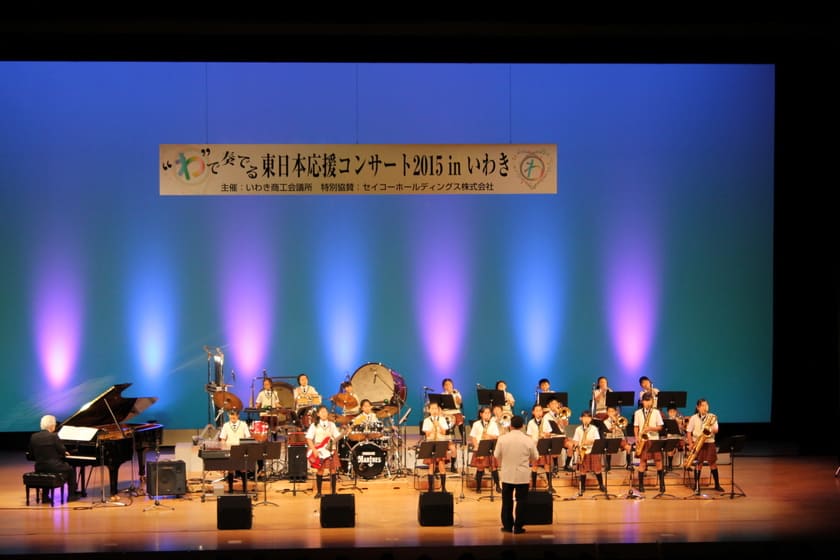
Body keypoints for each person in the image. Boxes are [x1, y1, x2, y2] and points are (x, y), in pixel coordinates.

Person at [493, 415, 538, 534]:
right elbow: (535, 457)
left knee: (507, 501)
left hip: (507, 474)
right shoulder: (528, 440)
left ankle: (507, 526)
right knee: (522, 501)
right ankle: (518, 527)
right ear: (523, 426)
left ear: (510, 426)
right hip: (522, 476)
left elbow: (496, 455)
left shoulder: (502, 439)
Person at [28, 414, 79, 501]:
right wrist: (65, 453)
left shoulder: (34, 437)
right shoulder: (53, 436)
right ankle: (71, 495)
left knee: (47, 470)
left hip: (39, 467)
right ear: (51, 425)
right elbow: (62, 450)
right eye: (55, 424)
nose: (55, 426)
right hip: (54, 467)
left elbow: (31, 454)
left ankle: (45, 497)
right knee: (70, 470)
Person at [684, 398, 725, 494]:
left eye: (706, 405)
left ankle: (717, 484)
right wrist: (690, 444)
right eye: (702, 405)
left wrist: (709, 428)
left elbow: (716, 430)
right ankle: (697, 486)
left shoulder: (712, 416)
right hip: (697, 443)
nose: (705, 407)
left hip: (709, 442)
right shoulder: (693, 418)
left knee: (713, 463)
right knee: (699, 464)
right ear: (698, 407)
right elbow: (688, 432)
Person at [305, 405, 342, 498]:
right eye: (322, 412)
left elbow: (337, 436)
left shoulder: (332, 424)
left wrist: (345, 433)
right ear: (318, 414)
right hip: (319, 451)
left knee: (333, 470)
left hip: (330, 450)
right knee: (320, 471)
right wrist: (313, 450)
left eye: (325, 411)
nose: (324, 413)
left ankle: (333, 492)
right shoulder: (314, 425)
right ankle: (319, 492)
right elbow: (309, 438)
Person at [632, 392, 665, 496]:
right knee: (642, 462)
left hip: (654, 439)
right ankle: (641, 485)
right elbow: (636, 426)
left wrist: (650, 428)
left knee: (658, 462)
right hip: (643, 440)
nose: (647, 403)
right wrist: (637, 437)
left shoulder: (656, 412)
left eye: (649, 400)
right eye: (645, 401)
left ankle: (662, 484)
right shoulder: (637, 413)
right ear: (642, 402)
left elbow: (660, 427)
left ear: (652, 401)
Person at [571, 411, 606, 495]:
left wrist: (590, 442)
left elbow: (597, 440)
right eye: (584, 417)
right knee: (583, 470)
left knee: (597, 469)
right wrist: (576, 446)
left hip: (592, 451)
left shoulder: (594, 428)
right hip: (582, 451)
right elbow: (575, 440)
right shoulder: (578, 429)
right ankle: (582, 487)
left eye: (588, 418)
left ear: (591, 419)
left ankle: (601, 485)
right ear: (581, 419)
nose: (586, 419)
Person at [218, 408, 252, 493]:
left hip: (240, 449)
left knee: (243, 468)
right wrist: (223, 449)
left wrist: (245, 448)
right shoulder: (226, 425)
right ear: (229, 415)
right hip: (230, 450)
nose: (233, 416)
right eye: (231, 415)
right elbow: (222, 439)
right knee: (230, 469)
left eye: (234, 415)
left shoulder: (243, 424)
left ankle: (245, 489)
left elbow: (247, 437)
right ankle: (230, 489)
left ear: (238, 416)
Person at [421, 401, 452, 492]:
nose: (434, 410)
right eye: (432, 408)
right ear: (429, 410)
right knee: (431, 465)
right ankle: (430, 488)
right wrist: (432, 427)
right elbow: (427, 434)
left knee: (441, 465)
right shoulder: (426, 420)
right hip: (430, 442)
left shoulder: (442, 419)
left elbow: (444, 432)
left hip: (440, 443)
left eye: (436, 408)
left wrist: (438, 425)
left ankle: (443, 487)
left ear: (438, 410)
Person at [469, 406, 501, 493]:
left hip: (490, 446)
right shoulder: (476, 424)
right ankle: (478, 487)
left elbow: (496, 436)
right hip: (480, 447)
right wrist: (476, 446)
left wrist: (489, 436)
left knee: (494, 467)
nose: (487, 415)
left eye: (489, 413)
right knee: (480, 468)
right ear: (481, 414)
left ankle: (498, 485)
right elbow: (473, 436)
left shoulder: (493, 424)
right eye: (485, 413)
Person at [526, 403, 553, 492]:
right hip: (535, 447)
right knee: (534, 466)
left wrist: (545, 435)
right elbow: (529, 436)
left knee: (547, 466)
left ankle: (550, 486)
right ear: (533, 412)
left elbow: (549, 433)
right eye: (536, 411)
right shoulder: (530, 423)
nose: (539, 413)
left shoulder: (546, 421)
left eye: (540, 410)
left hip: (544, 447)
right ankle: (533, 486)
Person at [440, 377, 464, 471]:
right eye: (446, 385)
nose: (448, 386)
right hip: (446, 413)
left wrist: (455, 394)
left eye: (449, 384)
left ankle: (463, 440)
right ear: (443, 387)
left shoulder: (456, 393)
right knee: (448, 426)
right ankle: (449, 436)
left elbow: (460, 402)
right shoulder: (442, 394)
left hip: (455, 411)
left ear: (452, 385)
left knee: (460, 420)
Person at [603, 404, 633, 471]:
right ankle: (608, 466)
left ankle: (629, 465)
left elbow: (624, 429)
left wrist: (616, 422)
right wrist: (611, 428)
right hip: (610, 440)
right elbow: (606, 431)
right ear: (607, 412)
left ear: (616, 412)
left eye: (612, 411)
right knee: (608, 450)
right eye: (609, 411)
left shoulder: (620, 419)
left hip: (620, 439)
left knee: (628, 447)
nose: (611, 413)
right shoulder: (605, 421)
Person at [665, 405, 687, 471]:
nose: (672, 413)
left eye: (673, 411)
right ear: (668, 412)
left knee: (686, 444)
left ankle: (687, 464)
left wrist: (679, 424)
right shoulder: (666, 420)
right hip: (670, 437)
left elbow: (684, 429)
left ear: (676, 412)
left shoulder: (680, 418)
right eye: (670, 412)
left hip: (679, 437)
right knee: (670, 448)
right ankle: (670, 465)